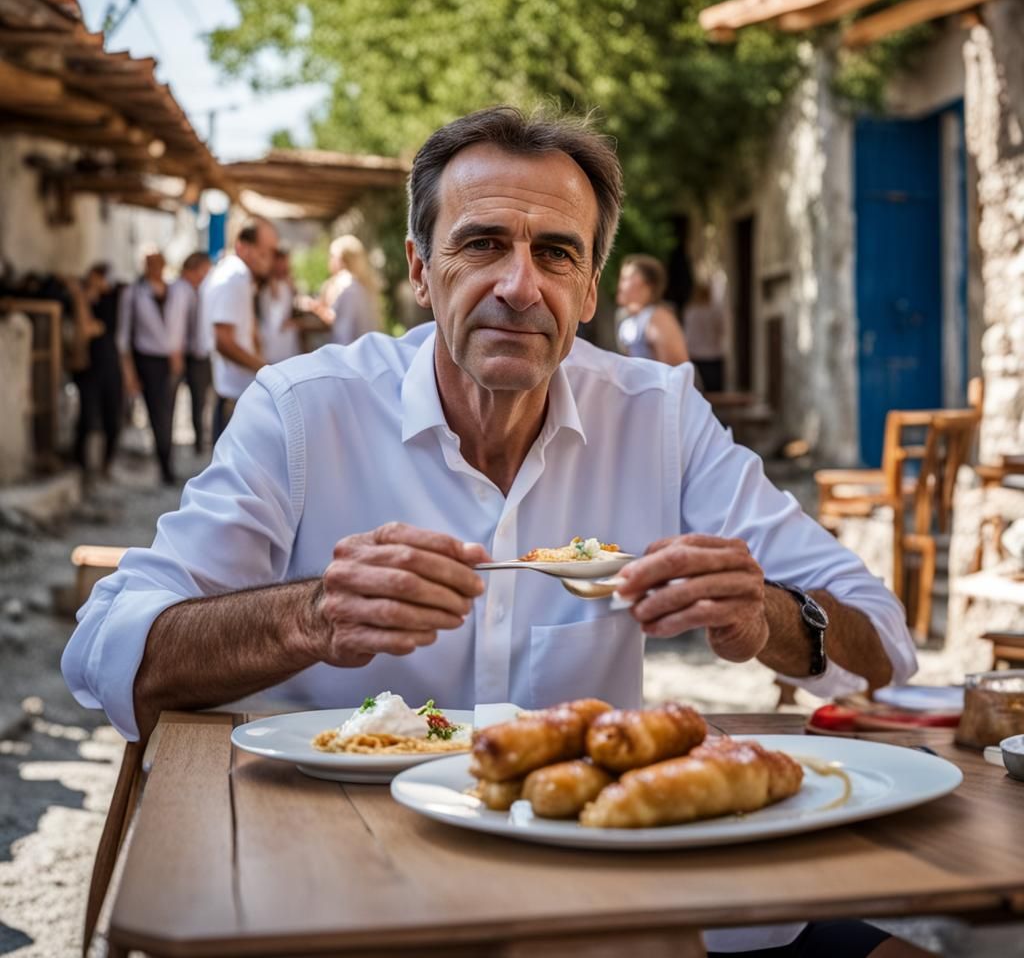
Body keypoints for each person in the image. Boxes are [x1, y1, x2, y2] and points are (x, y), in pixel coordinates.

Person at [65, 107, 919, 957]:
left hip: (592, 877)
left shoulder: (658, 418)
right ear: (419, 271)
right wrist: (311, 616)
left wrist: (762, 615)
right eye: (481, 245)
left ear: (590, 290)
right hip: (339, 885)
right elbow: (109, 651)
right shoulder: (304, 410)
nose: (520, 285)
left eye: (557, 253)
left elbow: (881, 645)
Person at [202, 217, 278, 442]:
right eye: (266, 253)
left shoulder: (235, 274)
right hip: (234, 397)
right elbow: (223, 341)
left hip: (231, 392)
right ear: (243, 248)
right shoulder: (235, 277)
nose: (270, 261)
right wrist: (267, 370)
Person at [116, 247, 182, 485]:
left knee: (169, 413)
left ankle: (168, 462)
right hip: (147, 361)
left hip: (170, 360)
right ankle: (165, 466)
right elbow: (123, 338)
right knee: (157, 414)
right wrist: (129, 373)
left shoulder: (176, 290)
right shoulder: (133, 294)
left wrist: (178, 352)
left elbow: (178, 326)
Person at [67, 263, 123, 476]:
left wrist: (81, 298)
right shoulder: (77, 300)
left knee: (112, 421)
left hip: (108, 368)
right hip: (87, 370)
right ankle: (81, 465)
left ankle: (105, 465)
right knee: (87, 419)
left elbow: (89, 329)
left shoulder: (110, 303)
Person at [168, 252, 213, 454]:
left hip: (194, 354)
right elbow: (176, 326)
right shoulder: (180, 290)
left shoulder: (194, 290)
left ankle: (198, 444)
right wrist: (176, 355)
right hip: (184, 354)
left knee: (199, 401)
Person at [615, 254, 689, 365]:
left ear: (647, 286)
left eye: (626, 278)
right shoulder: (629, 319)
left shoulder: (659, 318)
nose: (620, 285)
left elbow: (677, 371)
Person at [321, 234, 384, 345]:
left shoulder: (346, 286)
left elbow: (343, 331)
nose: (329, 261)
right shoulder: (363, 285)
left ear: (342, 260)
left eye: (332, 256)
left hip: (353, 352)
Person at [258, 245, 302, 364]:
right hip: (273, 340)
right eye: (282, 261)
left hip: (287, 340)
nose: (285, 265)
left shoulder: (287, 283)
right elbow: (273, 317)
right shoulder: (269, 287)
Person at [684, 280, 727, 393]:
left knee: (699, 390)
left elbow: (688, 333)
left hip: (695, 353)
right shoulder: (714, 311)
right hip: (713, 353)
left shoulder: (691, 311)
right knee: (714, 389)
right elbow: (722, 329)